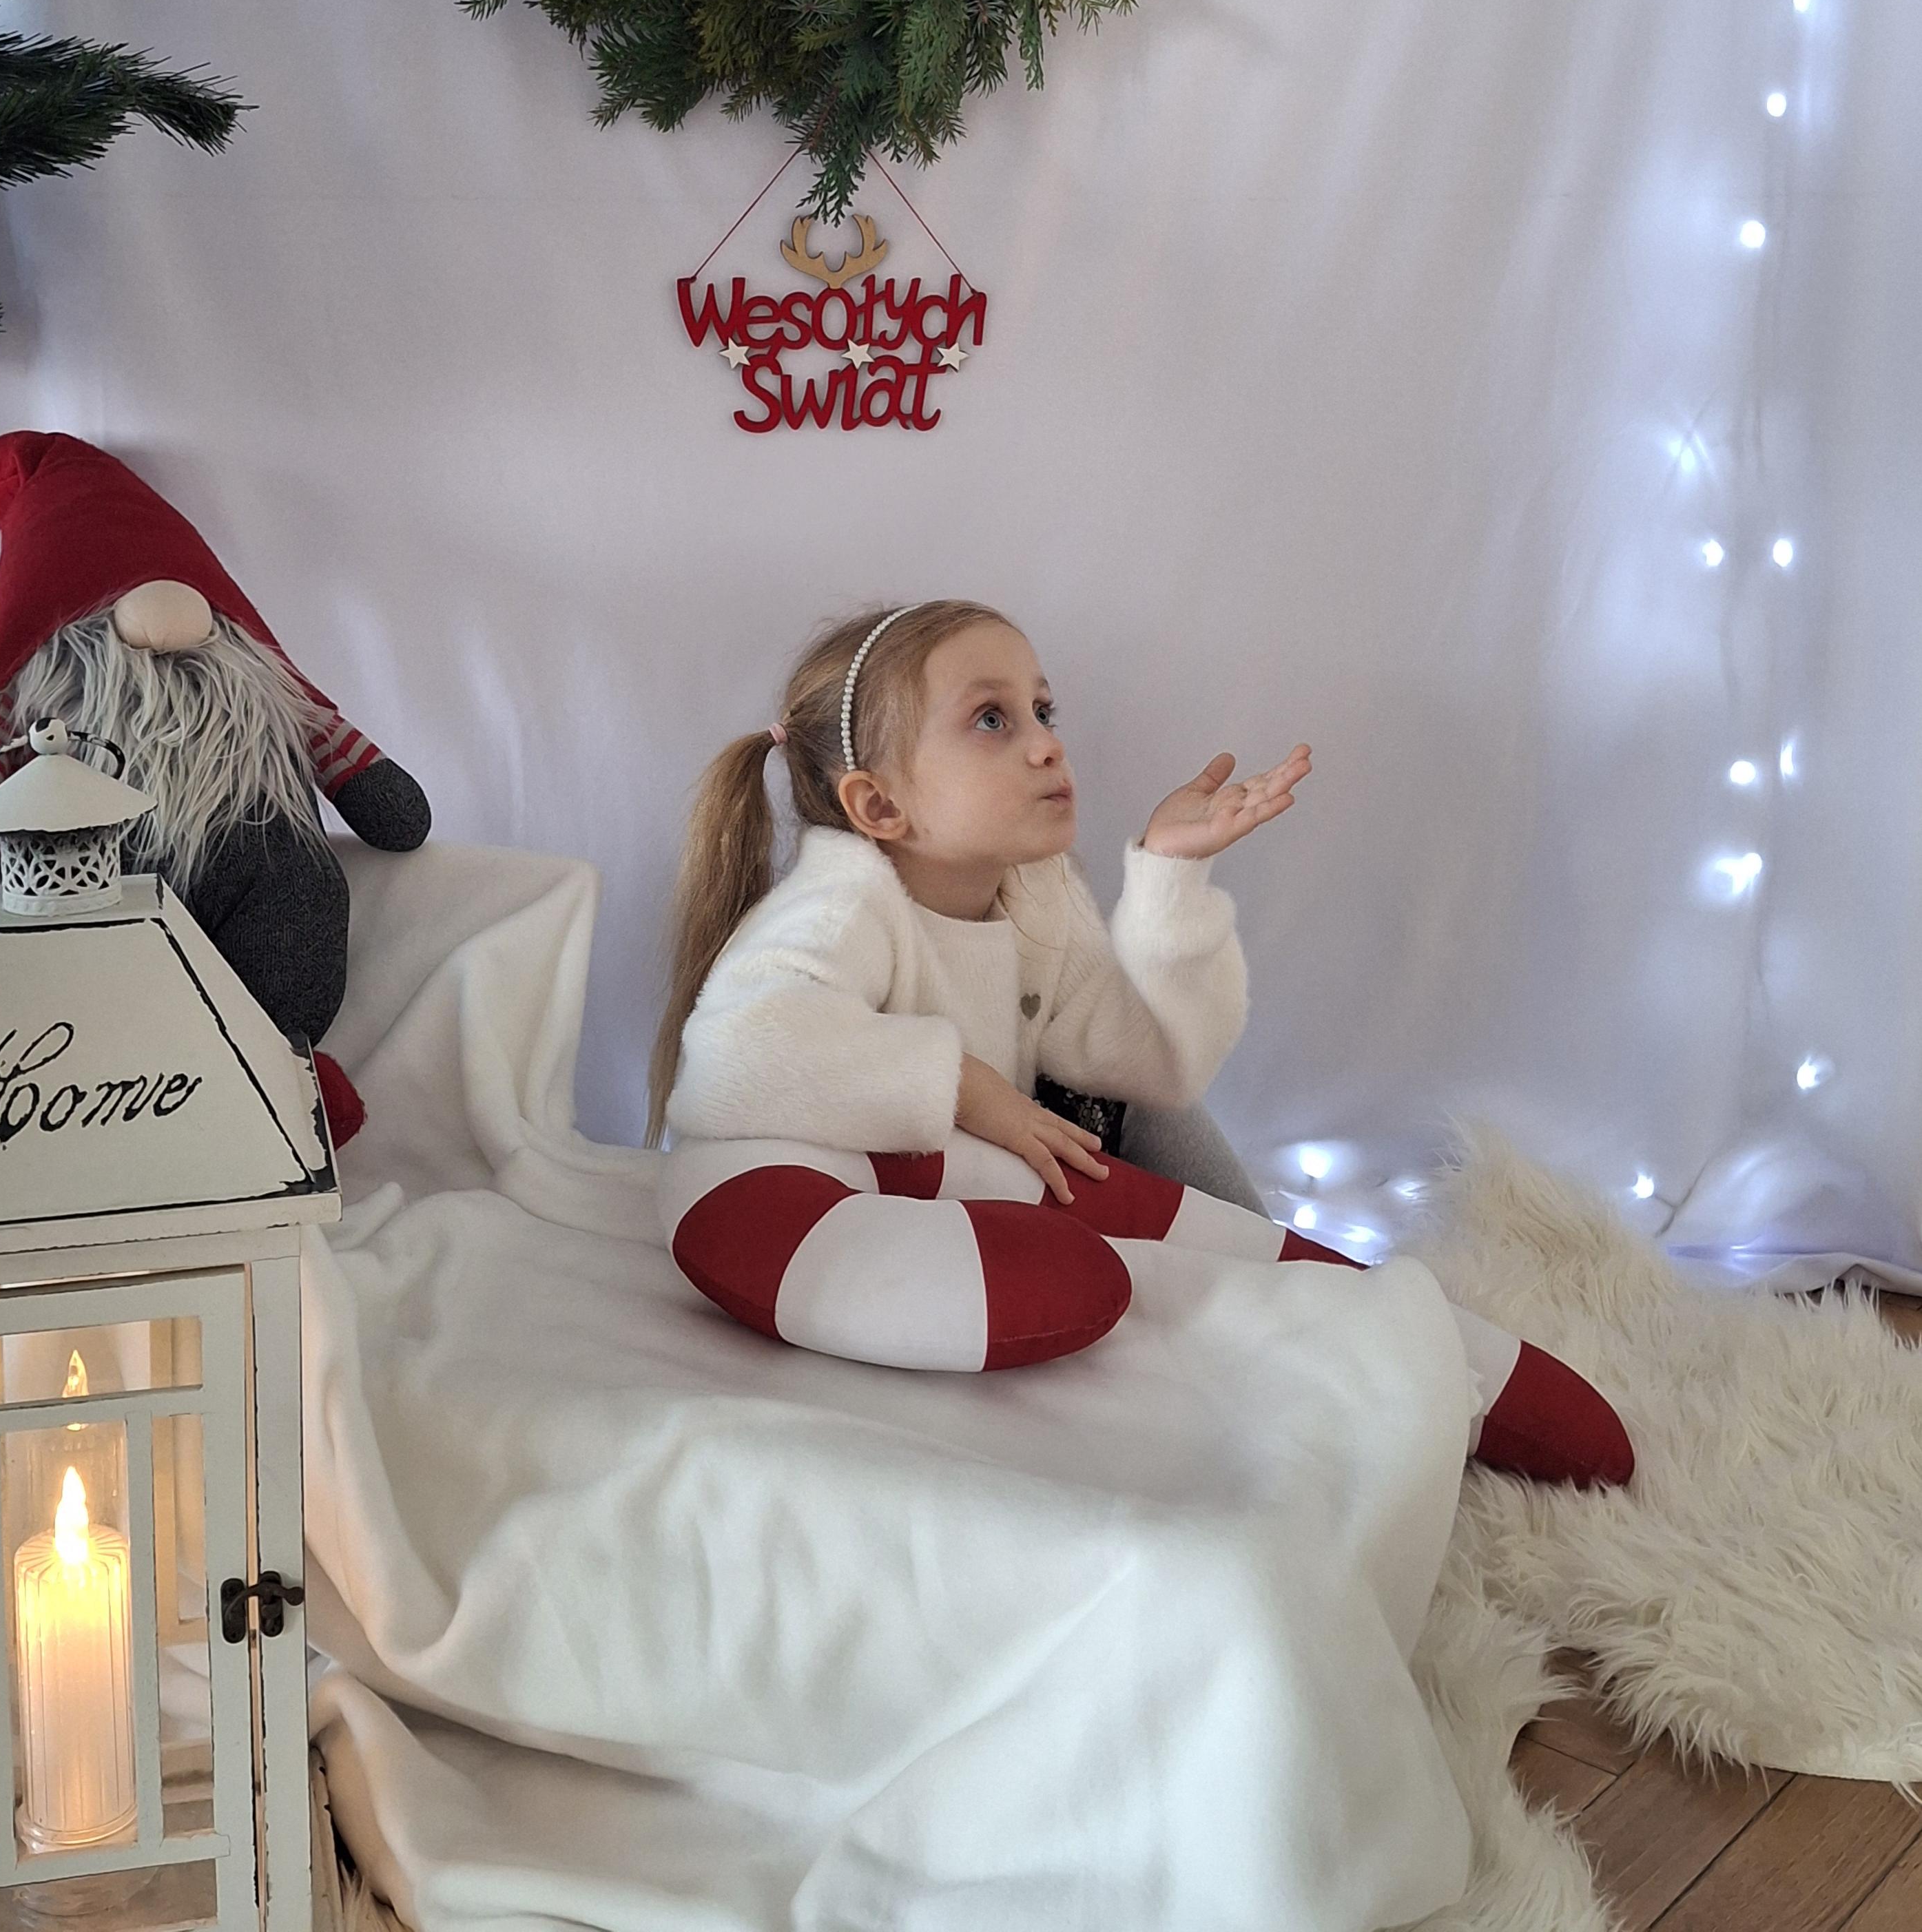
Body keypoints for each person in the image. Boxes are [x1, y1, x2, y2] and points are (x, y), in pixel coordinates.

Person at [651, 596, 1633, 1486]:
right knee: (1089, 1172)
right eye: (992, 720)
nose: (1046, 745)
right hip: (852, 1179)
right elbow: (737, 1058)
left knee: (1161, 1110)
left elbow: (1152, 1061)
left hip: (995, 1165)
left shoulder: (1034, 892)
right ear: (879, 806)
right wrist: (972, 1090)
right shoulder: (841, 905)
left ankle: (1288, 1281)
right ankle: (1269, 1303)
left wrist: (1170, 877)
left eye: (1044, 711)